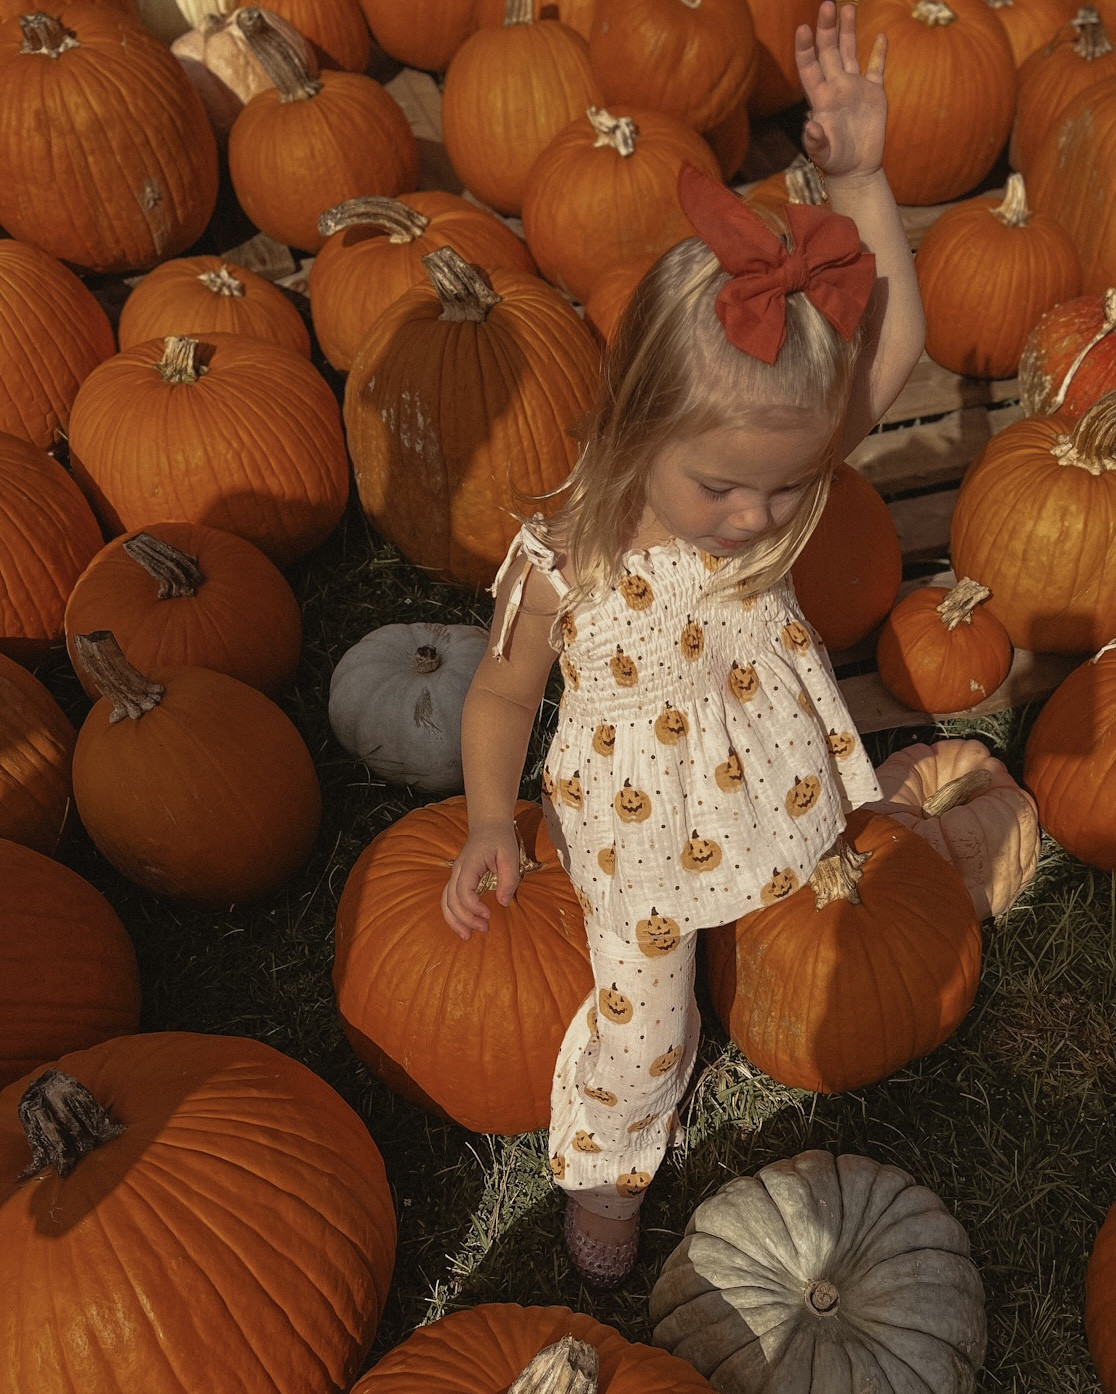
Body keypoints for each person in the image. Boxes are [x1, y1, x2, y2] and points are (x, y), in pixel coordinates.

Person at [441, 0, 925, 1288]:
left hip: (755, 770)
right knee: (647, 1012)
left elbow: (897, 348)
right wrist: (494, 820)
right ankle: (607, 1165)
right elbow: (500, 691)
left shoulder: (766, 483)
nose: (764, 518)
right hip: (641, 825)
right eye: (725, 490)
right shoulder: (563, 546)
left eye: (784, 487)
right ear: (635, 427)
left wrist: (864, 182)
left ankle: (759, 937)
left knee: (795, 897)